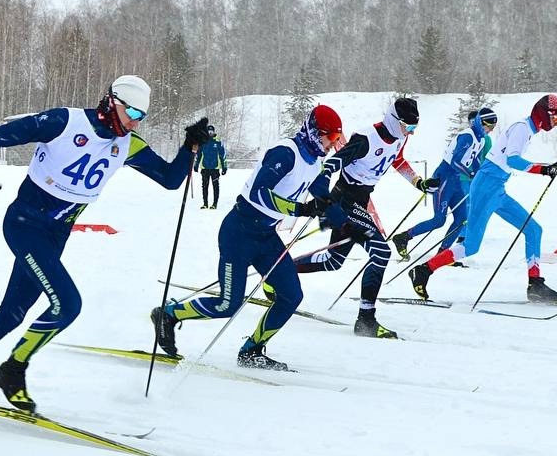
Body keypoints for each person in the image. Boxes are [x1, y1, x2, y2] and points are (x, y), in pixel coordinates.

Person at [0, 75, 206, 412]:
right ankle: (13, 369)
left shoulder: (127, 145)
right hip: (24, 225)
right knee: (67, 304)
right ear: (112, 101)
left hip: (55, 235)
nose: (135, 121)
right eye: (132, 112)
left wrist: (189, 145)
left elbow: (170, 179)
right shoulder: (65, 121)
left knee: (13, 312)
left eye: (142, 116)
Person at [152, 104, 345, 369]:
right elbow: (258, 193)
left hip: (266, 237)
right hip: (239, 234)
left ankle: (251, 350)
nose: (331, 145)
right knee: (227, 304)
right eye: (331, 138)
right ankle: (168, 315)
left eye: (336, 139)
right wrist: (300, 209)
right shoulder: (285, 153)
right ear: (315, 132)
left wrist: (337, 215)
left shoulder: (314, 161)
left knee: (291, 296)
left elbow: (321, 190)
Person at [294, 98, 435, 339]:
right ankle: (366, 320)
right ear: (393, 119)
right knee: (382, 252)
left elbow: (398, 161)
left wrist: (418, 182)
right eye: (407, 126)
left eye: (413, 128)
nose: (410, 132)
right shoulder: (366, 138)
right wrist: (324, 185)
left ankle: (280, 270)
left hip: (360, 200)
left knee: (332, 260)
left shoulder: (400, 136)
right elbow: (334, 162)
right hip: (344, 200)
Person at [410, 94, 557, 303]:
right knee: (470, 246)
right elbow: (513, 160)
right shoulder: (522, 128)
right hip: (486, 186)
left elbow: (509, 160)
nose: (555, 124)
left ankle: (535, 285)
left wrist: (547, 167)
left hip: (497, 187)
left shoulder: (528, 131)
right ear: (543, 114)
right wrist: (545, 169)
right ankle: (424, 270)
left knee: (533, 229)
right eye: (555, 119)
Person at [393, 107, 498, 260]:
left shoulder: (481, 139)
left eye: (492, 128)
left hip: (456, 179)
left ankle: (442, 253)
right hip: (444, 177)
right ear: (479, 122)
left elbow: (474, 159)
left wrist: (480, 174)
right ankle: (403, 238)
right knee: (439, 220)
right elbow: (455, 161)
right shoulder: (467, 136)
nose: (489, 130)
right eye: (488, 126)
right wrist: (472, 174)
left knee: (462, 219)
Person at [194, 123, 227, 209]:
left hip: (215, 168)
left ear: (214, 132)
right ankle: (205, 203)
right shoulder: (202, 142)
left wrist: (224, 167)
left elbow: (223, 155)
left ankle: (214, 204)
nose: (210, 133)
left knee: (215, 186)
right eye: (208, 131)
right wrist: (196, 165)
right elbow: (199, 155)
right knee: (204, 186)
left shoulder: (218, 142)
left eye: (211, 131)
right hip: (205, 168)